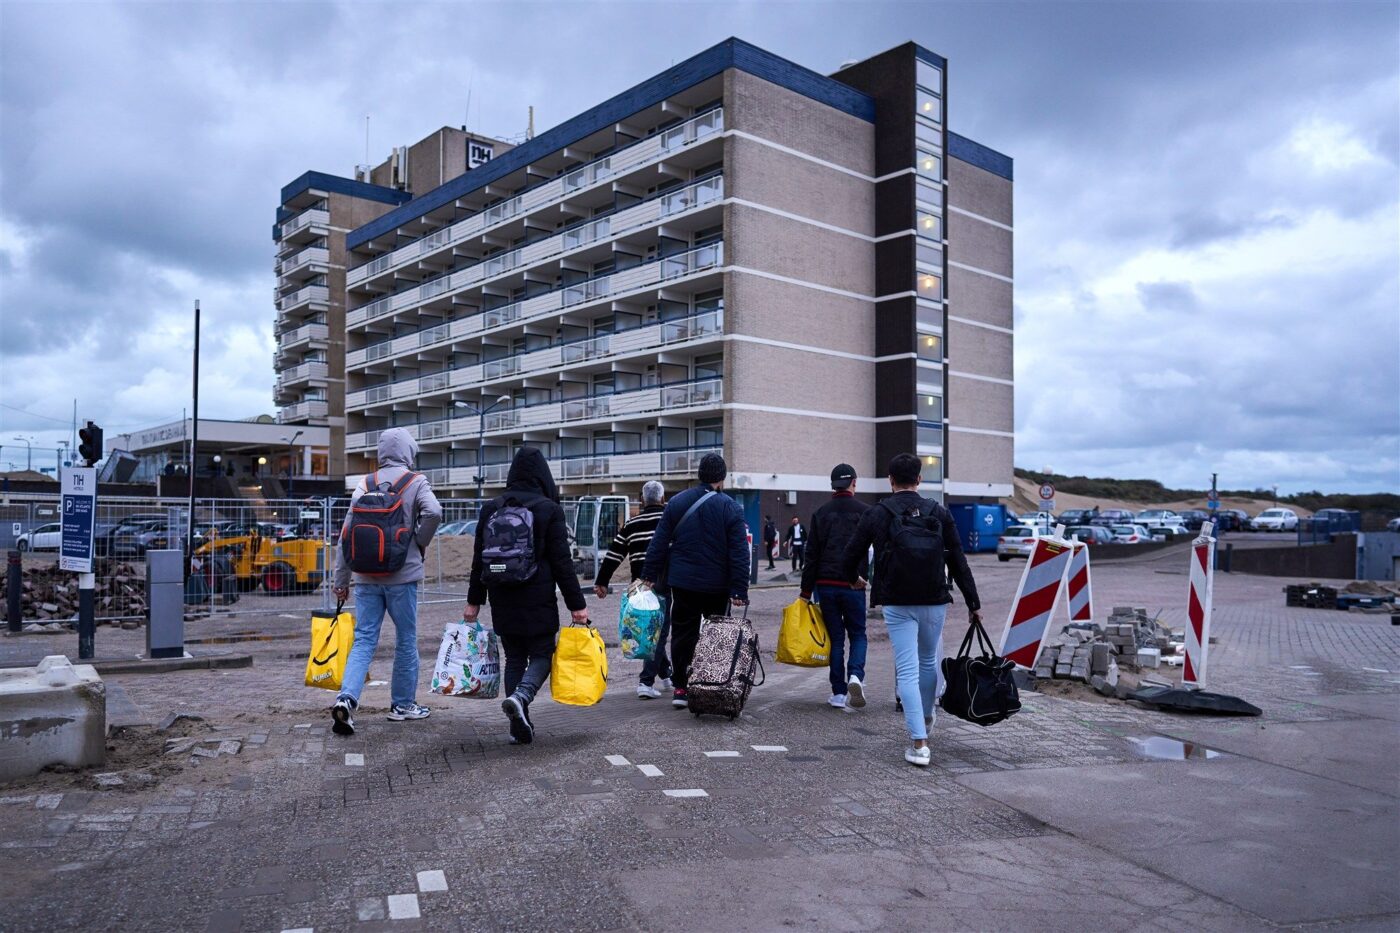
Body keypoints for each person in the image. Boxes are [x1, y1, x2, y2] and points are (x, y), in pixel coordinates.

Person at [841, 453, 981, 767]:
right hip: (934, 598)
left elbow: (849, 555)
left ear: (890, 480)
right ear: (919, 479)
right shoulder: (938, 512)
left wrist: (854, 579)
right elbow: (958, 561)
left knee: (907, 668)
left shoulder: (877, 513)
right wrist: (974, 603)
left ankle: (919, 744)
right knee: (928, 661)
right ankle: (927, 716)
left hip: (897, 600)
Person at [464, 447, 587, 745]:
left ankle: (518, 725)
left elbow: (479, 560)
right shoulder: (548, 509)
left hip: (501, 594)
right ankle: (521, 697)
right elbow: (562, 562)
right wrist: (577, 605)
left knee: (515, 657)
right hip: (537, 594)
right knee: (543, 653)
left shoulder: (491, 508)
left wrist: (474, 601)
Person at [330, 428, 443, 736]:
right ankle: (402, 705)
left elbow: (346, 535)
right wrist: (418, 542)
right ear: (409, 451)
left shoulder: (364, 484)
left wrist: (341, 580)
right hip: (402, 576)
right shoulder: (415, 482)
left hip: (366, 576)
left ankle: (346, 699)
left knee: (364, 639)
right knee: (406, 639)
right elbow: (434, 512)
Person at [638, 453, 749, 709]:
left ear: (700, 475)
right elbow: (739, 552)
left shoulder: (677, 502)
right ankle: (712, 684)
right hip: (717, 585)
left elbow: (659, 542)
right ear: (722, 478)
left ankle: (681, 688)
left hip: (683, 582)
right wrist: (739, 589)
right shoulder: (730, 507)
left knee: (682, 634)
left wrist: (649, 575)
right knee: (716, 635)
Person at [800, 463, 870, 711]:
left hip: (826, 585)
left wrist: (805, 591)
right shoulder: (865, 512)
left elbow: (811, 555)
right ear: (854, 483)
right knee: (858, 634)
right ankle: (855, 676)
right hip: (854, 584)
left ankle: (838, 693)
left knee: (836, 638)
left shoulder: (821, 513)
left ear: (832, 485)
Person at [594, 481, 673, 699]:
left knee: (650, 632)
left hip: (637, 588)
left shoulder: (631, 524)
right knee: (658, 633)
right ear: (663, 499)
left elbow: (614, 555)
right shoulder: (668, 521)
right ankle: (645, 682)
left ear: (642, 500)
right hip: (662, 584)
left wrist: (602, 582)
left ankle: (667, 674)